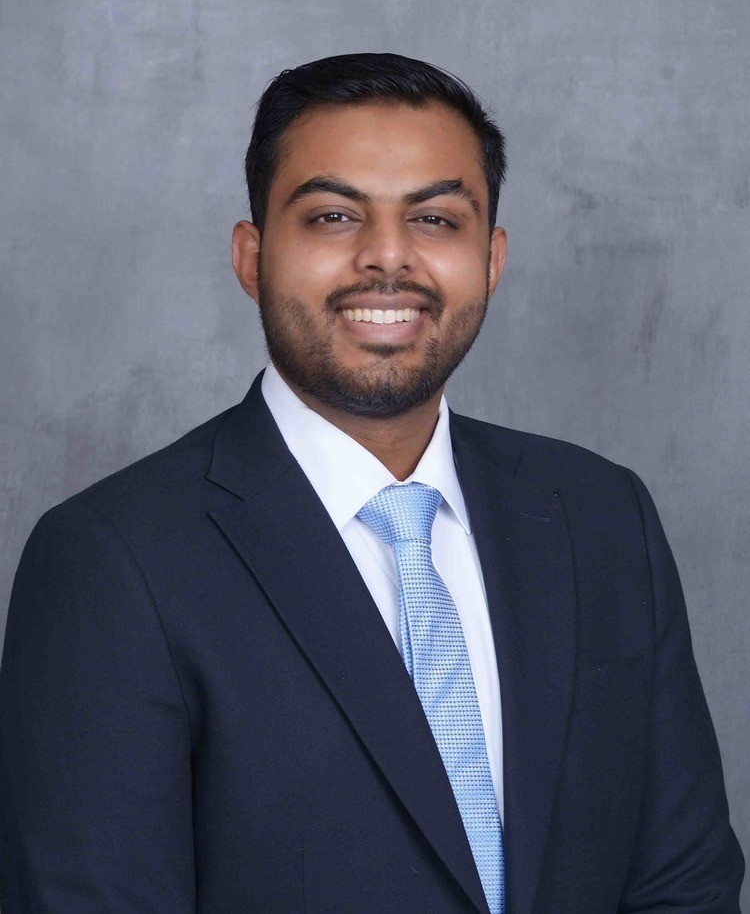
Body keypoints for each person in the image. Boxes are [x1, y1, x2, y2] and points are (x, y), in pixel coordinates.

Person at [0, 52, 743, 914]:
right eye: (331, 216)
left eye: (434, 218)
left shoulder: (602, 518)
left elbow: (684, 887)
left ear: (492, 258)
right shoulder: (112, 561)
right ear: (252, 257)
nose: (387, 258)